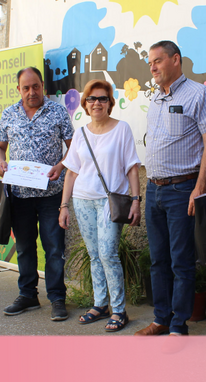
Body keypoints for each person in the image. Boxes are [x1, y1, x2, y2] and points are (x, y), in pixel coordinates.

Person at [135, 40, 206, 336]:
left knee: (181, 260)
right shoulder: (156, 98)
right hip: (155, 190)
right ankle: (161, 319)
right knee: (158, 259)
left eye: (157, 61)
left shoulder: (198, 94)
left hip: (182, 189)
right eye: (150, 63)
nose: (153, 67)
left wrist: (200, 186)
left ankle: (178, 325)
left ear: (176, 60)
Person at [58, 80, 141, 332]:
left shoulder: (122, 129)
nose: (97, 103)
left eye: (102, 98)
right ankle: (100, 304)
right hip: (82, 200)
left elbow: (132, 168)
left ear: (110, 103)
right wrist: (64, 206)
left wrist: (136, 200)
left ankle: (119, 310)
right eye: (92, 99)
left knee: (108, 254)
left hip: (109, 202)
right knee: (95, 255)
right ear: (85, 103)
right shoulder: (81, 134)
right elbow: (71, 173)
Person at [0, 67, 74, 321]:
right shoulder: (9, 114)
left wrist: (61, 165)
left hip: (51, 194)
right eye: (26, 87)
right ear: (19, 89)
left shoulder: (58, 112)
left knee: (53, 248)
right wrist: (0, 162)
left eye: (36, 86)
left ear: (43, 87)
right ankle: (28, 295)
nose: (31, 92)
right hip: (19, 195)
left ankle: (57, 298)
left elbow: (74, 148)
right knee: (25, 247)